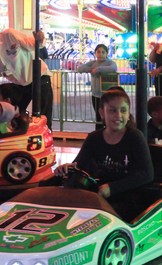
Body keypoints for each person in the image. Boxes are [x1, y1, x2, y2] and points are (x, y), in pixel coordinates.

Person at [53, 88, 154, 222]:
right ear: (102, 113)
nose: (118, 115)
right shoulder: (94, 138)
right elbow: (79, 166)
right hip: (98, 197)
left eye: (123, 110)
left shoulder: (135, 137)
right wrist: (66, 168)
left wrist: (112, 188)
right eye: (112, 110)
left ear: (128, 112)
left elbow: (147, 174)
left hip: (128, 198)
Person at [77, 43, 118, 130]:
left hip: (107, 95)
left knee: (108, 116)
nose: (101, 54)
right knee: (98, 116)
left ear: (107, 54)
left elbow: (113, 68)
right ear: (95, 53)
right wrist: (91, 70)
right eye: (98, 52)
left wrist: (98, 70)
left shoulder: (110, 63)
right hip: (95, 95)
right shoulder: (93, 63)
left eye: (103, 52)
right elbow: (80, 68)